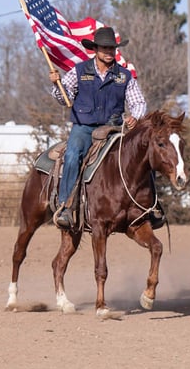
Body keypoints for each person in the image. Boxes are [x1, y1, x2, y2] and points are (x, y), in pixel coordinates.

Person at [48, 26, 147, 229]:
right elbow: (64, 97)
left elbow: (138, 102)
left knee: (141, 154)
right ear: (95, 49)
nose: (109, 52)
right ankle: (65, 206)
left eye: (112, 48)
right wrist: (57, 85)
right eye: (105, 48)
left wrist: (135, 117)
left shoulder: (124, 76)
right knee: (72, 155)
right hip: (83, 127)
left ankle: (148, 206)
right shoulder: (79, 71)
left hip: (113, 129)